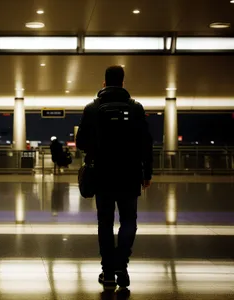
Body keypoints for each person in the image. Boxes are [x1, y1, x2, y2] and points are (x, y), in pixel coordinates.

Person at [76, 66, 153, 289]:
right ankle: (122, 266)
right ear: (122, 82)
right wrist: (146, 173)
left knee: (105, 223)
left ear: (104, 83)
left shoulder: (92, 108)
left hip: (102, 174)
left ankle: (108, 272)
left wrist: (96, 148)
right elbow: (146, 144)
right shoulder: (136, 108)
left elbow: (81, 142)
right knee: (129, 221)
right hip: (130, 174)